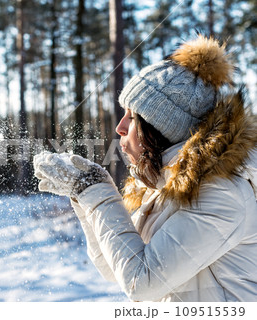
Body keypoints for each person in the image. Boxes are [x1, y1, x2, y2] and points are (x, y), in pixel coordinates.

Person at [33, 35, 257, 302]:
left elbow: (141, 282)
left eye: (132, 116)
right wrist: (85, 194)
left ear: (162, 128)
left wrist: (97, 193)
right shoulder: (161, 190)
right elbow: (115, 268)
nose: (120, 128)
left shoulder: (221, 195)